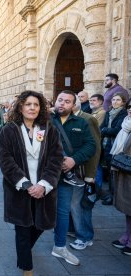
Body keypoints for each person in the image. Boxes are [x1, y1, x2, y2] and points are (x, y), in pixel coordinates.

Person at [0, 91, 63, 276]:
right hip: (19, 189)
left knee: (41, 225)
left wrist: (44, 184)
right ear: (20, 107)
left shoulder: (48, 129)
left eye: (36, 104)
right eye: (28, 104)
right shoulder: (9, 130)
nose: (32, 108)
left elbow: (56, 158)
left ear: (40, 107)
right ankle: (27, 268)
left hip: (44, 188)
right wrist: (25, 184)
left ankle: (24, 250)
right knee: (23, 229)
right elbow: (5, 160)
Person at [51, 90, 96, 266]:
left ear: (73, 105)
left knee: (63, 211)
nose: (62, 103)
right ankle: (26, 246)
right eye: (60, 100)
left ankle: (59, 246)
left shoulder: (82, 122)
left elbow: (91, 145)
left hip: (67, 176)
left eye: (67, 101)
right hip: (44, 175)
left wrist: (73, 160)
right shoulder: (45, 119)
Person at [69, 95, 101, 250]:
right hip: (69, 172)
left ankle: (85, 237)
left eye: (68, 101)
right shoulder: (64, 119)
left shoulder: (88, 119)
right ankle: (75, 230)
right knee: (72, 204)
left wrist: (91, 175)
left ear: (76, 104)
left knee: (81, 205)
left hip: (83, 172)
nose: (62, 104)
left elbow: (95, 149)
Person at [110, 98, 131, 256]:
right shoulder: (126, 124)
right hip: (125, 170)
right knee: (127, 208)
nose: (130, 110)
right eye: (129, 106)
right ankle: (127, 235)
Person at [100, 93, 128, 205]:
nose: (115, 102)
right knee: (108, 169)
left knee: (113, 171)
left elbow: (116, 130)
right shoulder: (108, 112)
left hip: (116, 146)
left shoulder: (123, 114)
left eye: (118, 100)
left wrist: (105, 130)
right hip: (106, 144)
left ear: (123, 102)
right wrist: (105, 129)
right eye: (113, 99)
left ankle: (113, 196)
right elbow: (102, 126)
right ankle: (111, 193)